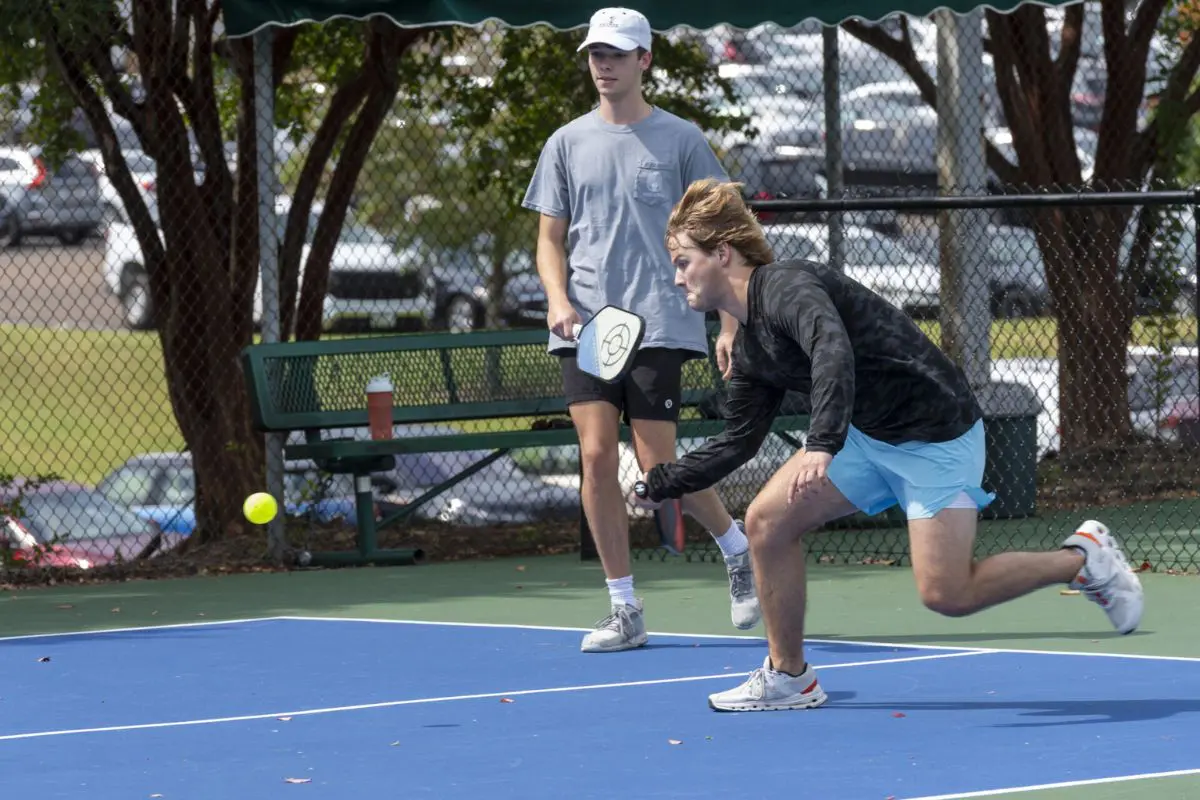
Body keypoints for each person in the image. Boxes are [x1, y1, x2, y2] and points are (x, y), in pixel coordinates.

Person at [630, 177, 1146, 710]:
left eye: (682, 261)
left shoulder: (786, 287)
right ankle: (790, 677)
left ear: (721, 253)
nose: (675, 278)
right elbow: (738, 440)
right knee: (766, 522)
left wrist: (822, 442)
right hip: (867, 436)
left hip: (934, 432)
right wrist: (664, 482)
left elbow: (832, 348)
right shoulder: (752, 348)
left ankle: (1082, 558)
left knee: (946, 594)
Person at [521, 7, 761, 653]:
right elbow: (549, 239)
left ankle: (736, 550)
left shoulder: (681, 140)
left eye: (618, 54)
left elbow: (728, 236)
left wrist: (731, 318)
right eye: (597, 54)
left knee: (659, 463)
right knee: (596, 455)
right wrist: (556, 298)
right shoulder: (566, 142)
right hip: (590, 322)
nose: (604, 64)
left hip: (662, 316)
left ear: (644, 61)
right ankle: (624, 608)